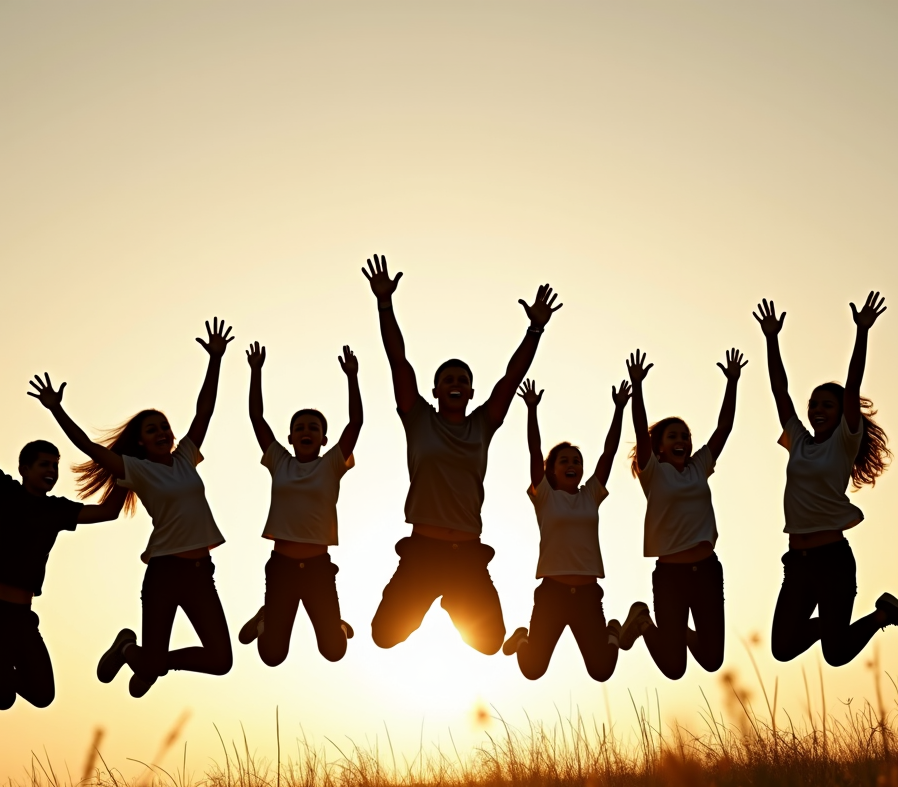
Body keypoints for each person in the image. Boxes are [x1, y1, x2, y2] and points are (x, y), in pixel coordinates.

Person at [362, 253, 562, 654]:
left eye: (463, 381)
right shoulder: (418, 419)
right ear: (435, 391)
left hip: (467, 556)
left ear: (471, 393)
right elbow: (397, 359)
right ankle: (428, 595)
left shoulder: (482, 425)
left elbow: (511, 377)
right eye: (447, 380)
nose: (455, 384)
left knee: (489, 644)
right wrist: (385, 303)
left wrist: (535, 328)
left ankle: (454, 597)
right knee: (384, 636)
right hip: (422, 552)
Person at [29, 318, 235, 698]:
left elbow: (203, 413)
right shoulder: (136, 470)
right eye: (151, 429)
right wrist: (57, 410)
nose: (161, 432)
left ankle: (138, 655)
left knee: (220, 660)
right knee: (151, 666)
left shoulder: (186, 457)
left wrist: (216, 360)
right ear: (139, 443)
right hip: (165, 572)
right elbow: (90, 448)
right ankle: (132, 650)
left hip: (200, 572)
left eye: (164, 427)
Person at [0, 354, 126, 710]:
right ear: (24, 468)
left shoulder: (57, 509)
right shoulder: (4, 492)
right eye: (44, 465)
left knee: (43, 695)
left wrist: (129, 470)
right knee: (2, 697)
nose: (51, 471)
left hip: (22, 617)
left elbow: (108, 512)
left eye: (56, 466)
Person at [755, 293, 898, 664]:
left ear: (841, 412)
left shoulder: (845, 442)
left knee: (836, 653)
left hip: (833, 560)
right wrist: (771, 339)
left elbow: (853, 382)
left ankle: (883, 615)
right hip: (797, 562)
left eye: (826, 405)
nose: (816, 410)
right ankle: (849, 623)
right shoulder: (797, 441)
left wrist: (861, 333)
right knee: (782, 648)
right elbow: (779, 391)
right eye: (813, 404)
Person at [618, 347, 748, 679]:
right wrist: (638, 388)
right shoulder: (653, 471)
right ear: (659, 446)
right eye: (673, 436)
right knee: (675, 668)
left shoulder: (699, 466)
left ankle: (661, 629)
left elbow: (724, 429)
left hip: (706, 571)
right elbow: (639, 428)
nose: (682, 440)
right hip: (671, 578)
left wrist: (732, 382)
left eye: (685, 436)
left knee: (712, 658)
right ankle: (644, 621)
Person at [238, 342, 362, 665]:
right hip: (282, 568)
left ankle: (334, 625)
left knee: (333, 651)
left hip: (319, 569)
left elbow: (356, 424)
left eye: (314, 428)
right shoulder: (280, 461)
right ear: (290, 438)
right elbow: (256, 417)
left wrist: (352, 377)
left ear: (323, 438)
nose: (306, 431)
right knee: (272, 655)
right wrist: (255, 372)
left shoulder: (332, 463)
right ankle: (267, 618)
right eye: (299, 428)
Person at [501, 377, 632, 680]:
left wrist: (619, 409)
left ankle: (612, 631)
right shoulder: (545, 496)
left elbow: (608, 454)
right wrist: (532, 410)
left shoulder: (591, 495)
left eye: (576, 461)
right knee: (533, 669)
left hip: (587, 595)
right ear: (553, 469)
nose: (572, 464)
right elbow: (534, 452)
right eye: (564, 461)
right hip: (553, 595)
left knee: (601, 670)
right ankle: (522, 637)